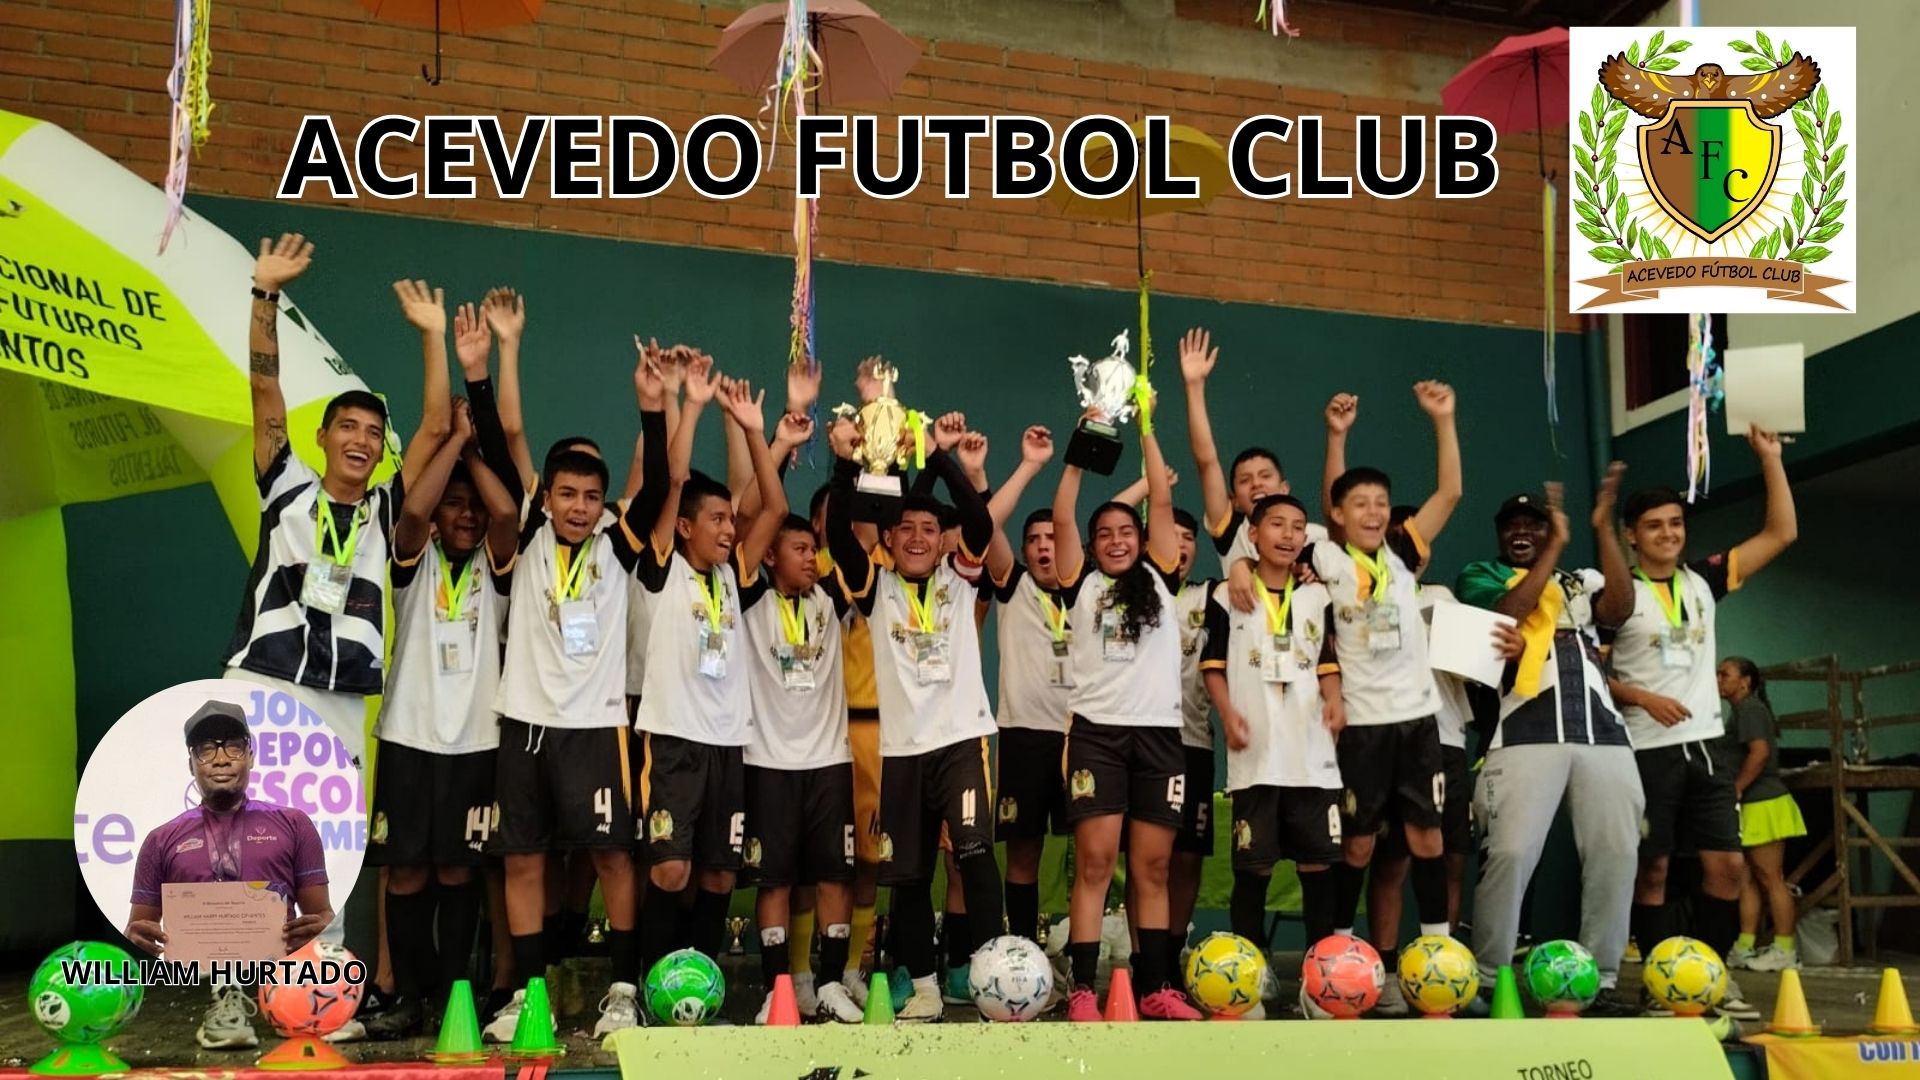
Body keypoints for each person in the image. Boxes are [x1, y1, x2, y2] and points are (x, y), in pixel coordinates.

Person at [481, 342, 676, 1042]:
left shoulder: (617, 547)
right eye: (567, 494)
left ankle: (623, 990)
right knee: (524, 859)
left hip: (597, 728)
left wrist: (652, 407)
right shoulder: (528, 535)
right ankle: (527, 996)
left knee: (613, 857)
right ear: (546, 497)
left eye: (592, 497)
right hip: (525, 725)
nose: (579, 507)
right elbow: (502, 444)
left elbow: (658, 485)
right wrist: (483, 366)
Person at [365, 301, 523, 1038]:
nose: (463, 514)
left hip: (476, 742)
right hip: (407, 736)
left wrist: (474, 458)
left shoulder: (497, 566)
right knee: (405, 871)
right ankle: (406, 996)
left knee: (461, 870)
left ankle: (457, 993)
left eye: (469, 506)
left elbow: (506, 514)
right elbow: (410, 512)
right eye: (452, 505)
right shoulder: (413, 560)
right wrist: (454, 440)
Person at [1607, 425, 1797, 1020]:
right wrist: (1639, 695)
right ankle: (1659, 983)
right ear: (1631, 535)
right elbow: (1587, 673)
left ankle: (1711, 978)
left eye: (1676, 523)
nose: (1668, 533)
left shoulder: (1704, 580)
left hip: (1709, 750)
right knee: (1653, 870)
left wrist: (1769, 459)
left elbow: (1781, 533)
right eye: (1654, 526)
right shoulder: (1616, 594)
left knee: (1729, 867)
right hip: (1646, 750)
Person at [824, 409, 1007, 1022]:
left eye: (930, 528)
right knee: (907, 874)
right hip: (902, 750)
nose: (920, 537)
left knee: (974, 852)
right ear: (890, 538)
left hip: (961, 740)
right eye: (906, 528)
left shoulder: (961, 577)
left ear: (943, 539)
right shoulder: (874, 587)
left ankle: (992, 972)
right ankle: (925, 986)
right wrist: (845, 464)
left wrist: (938, 455)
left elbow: (979, 520)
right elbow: (840, 537)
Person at [1453, 469, 1643, 1017]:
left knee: (1616, 852)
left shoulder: (1580, 580)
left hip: (1602, 732)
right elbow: (1508, 612)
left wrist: (1602, 527)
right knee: (1511, 853)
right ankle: (1490, 979)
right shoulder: (1482, 574)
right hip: (1524, 730)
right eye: (1512, 525)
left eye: (1535, 525)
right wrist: (1555, 545)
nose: (1522, 532)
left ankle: (1602, 980)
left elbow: (1619, 610)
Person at [632, 362, 788, 980]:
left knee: (720, 873)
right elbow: (673, 479)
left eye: (730, 519)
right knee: (671, 869)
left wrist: (753, 430)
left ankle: (700, 980)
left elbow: (774, 506)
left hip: (729, 744)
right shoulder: (662, 567)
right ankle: (653, 982)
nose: (728, 529)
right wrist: (692, 404)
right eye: (717, 520)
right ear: (685, 526)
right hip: (674, 740)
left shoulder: (733, 575)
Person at [1049, 399, 1200, 1022]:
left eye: (1126, 532)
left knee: (1153, 867)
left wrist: (1146, 428)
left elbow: (1161, 500)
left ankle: (1156, 987)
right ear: (1092, 545)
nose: (1116, 540)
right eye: (1105, 534)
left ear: (1143, 540)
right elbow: (1062, 513)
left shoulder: (1162, 577)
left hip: (1160, 739)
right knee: (1095, 863)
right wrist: (1080, 449)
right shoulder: (1079, 582)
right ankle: (1083, 989)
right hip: (1098, 738)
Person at [1308, 384, 1461, 969]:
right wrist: (1336, 437)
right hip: (1362, 726)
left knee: (1428, 838)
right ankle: (1341, 953)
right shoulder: (1327, 557)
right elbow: (1330, 498)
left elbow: (1450, 492)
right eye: (1360, 504)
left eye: (1381, 503)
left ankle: (1438, 954)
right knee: (1359, 844)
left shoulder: (1401, 552)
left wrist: (1443, 420)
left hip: (1417, 721)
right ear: (1340, 514)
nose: (1372, 512)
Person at [1200, 495, 1343, 1014]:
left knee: (1318, 869)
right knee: (1253, 870)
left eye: (1298, 527)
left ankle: (1320, 982)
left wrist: (1334, 702)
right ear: (1253, 534)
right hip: (1256, 758)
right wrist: (1227, 714)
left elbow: (1328, 662)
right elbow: (1212, 665)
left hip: (1313, 758)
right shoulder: (1227, 594)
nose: (1288, 535)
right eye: (1276, 524)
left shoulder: (1319, 597)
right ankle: (1250, 978)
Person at [127, 702, 333, 1050]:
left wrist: (318, 931)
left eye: (233, 747)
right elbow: (137, 928)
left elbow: (322, 914)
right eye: (206, 749)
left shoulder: (294, 824)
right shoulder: (160, 840)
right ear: (191, 764)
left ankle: (311, 1007)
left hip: (281, 979)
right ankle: (224, 1002)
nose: (221, 759)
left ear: (250, 756)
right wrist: (141, 940)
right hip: (198, 988)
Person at [737, 505, 865, 1024]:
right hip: (767, 761)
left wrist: (852, 468)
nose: (812, 558)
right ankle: (778, 990)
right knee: (774, 881)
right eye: (799, 550)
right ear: (770, 557)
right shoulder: (749, 599)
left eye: (814, 550)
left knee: (836, 876)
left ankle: (831, 984)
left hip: (829, 759)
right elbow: (755, 517)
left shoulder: (829, 598)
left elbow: (849, 537)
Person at [1177, 328, 1328, 611]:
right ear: (1233, 499)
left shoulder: (1315, 535)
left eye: (1265, 476)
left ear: (1284, 488)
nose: (1256, 484)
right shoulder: (1232, 532)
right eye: (1245, 480)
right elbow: (1207, 462)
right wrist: (1194, 386)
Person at [1718, 657, 1806, 973]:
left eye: (1725, 674)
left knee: (1771, 878)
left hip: (1764, 802)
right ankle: (1744, 947)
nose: (1718, 679)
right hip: (1751, 805)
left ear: (1745, 682)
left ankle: (1785, 950)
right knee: (1746, 878)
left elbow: (1760, 753)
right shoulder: (1739, 711)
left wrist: (1737, 788)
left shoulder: (1750, 709)